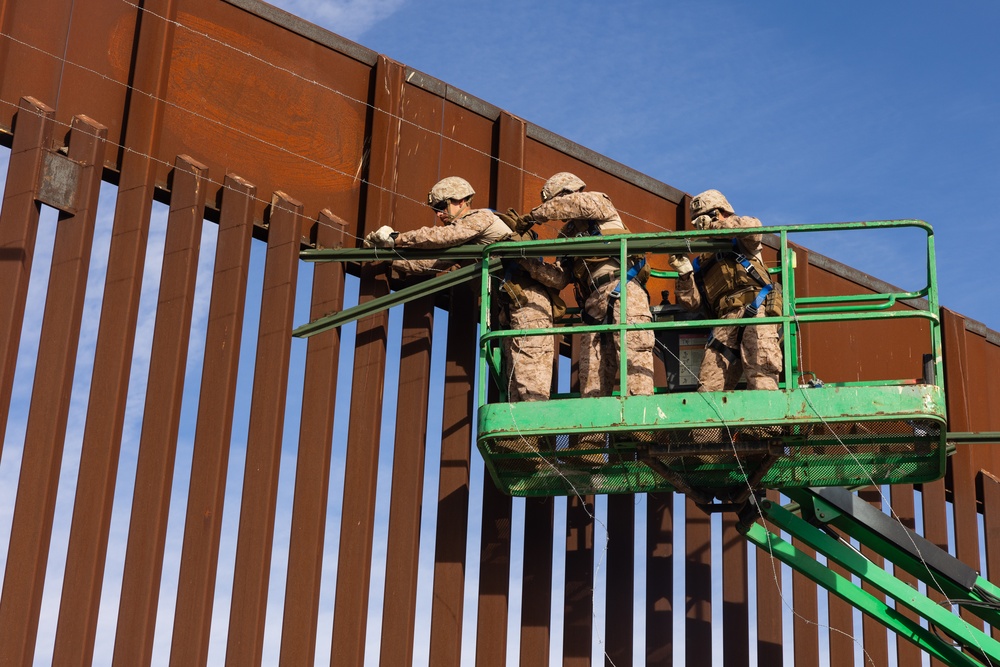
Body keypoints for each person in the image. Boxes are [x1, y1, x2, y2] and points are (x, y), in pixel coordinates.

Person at [363, 176, 554, 404]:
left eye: (442, 206)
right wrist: (385, 257)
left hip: (529, 303)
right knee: (514, 377)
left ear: (462, 200)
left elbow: (443, 236)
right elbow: (428, 264)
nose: (439, 214)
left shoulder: (480, 217)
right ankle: (521, 435)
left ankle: (532, 432)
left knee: (529, 375)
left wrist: (397, 238)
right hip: (512, 307)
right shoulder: (467, 241)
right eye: (435, 209)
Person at [669, 189, 782, 392]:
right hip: (724, 322)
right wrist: (685, 275)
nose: (698, 227)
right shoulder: (702, 261)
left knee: (762, 377)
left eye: (702, 219)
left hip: (756, 310)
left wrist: (715, 225)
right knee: (708, 388)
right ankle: (708, 426)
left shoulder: (741, 239)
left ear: (719, 212)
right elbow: (692, 304)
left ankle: (765, 426)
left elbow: (753, 226)